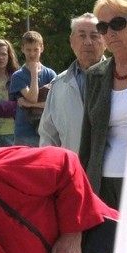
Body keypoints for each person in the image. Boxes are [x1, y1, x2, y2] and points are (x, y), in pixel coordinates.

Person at [79, 0, 127, 208]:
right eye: (102, 27)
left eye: (117, 23)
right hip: (103, 187)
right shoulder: (95, 76)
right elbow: (87, 142)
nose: (109, 33)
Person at [39, 14, 106, 152]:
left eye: (94, 36)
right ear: (71, 41)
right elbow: (48, 136)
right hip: (71, 170)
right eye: (82, 36)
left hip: (110, 171)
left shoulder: (120, 79)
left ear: (105, 41)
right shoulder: (58, 85)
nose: (88, 42)